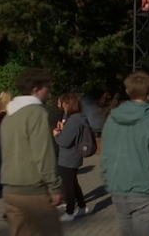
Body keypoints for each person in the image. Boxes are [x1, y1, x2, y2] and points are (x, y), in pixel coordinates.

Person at [102, 72, 149, 236]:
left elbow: (106, 154)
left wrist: (109, 180)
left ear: (128, 91)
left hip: (119, 188)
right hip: (144, 190)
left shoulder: (112, 119)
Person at [0, 69, 64, 236]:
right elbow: (43, 153)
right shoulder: (36, 113)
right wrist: (55, 187)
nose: (49, 91)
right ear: (36, 89)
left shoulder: (9, 115)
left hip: (10, 188)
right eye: (47, 87)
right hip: (33, 190)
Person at [53, 94, 91, 222]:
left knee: (68, 186)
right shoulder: (79, 118)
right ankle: (82, 206)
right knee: (73, 183)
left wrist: (57, 134)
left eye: (65, 103)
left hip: (68, 158)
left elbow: (65, 141)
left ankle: (69, 212)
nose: (63, 106)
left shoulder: (74, 120)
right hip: (74, 156)